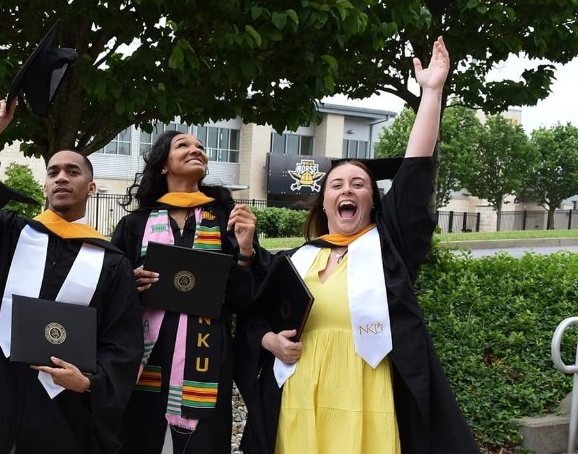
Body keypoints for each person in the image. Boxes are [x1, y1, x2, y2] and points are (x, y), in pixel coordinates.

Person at [236, 37, 479, 453]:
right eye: (337, 184)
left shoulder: (389, 249)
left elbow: (415, 172)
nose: (347, 189)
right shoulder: (297, 260)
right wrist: (269, 341)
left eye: (358, 184)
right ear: (325, 200)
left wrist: (432, 92)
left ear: (372, 200)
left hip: (369, 390)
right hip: (301, 393)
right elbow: (254, 316)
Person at [0, 99, 144, 454]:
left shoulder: (112, 263)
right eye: (53, 173)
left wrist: (89, 382)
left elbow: (122, 343)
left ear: (91, 188)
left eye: (73, 171)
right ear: (44, 188)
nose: (62, 177)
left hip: (63, 409)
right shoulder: (10, 235)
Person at [110, 129, 261, 453]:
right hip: (145, 363)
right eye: (183, 145)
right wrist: (129, 285)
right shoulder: (135, 224)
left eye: (201, 147)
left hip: (206, 360)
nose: (196, 150)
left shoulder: (225, 217)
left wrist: (246, 252)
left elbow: (242, 299)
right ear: (163, 165)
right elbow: (108, 291)